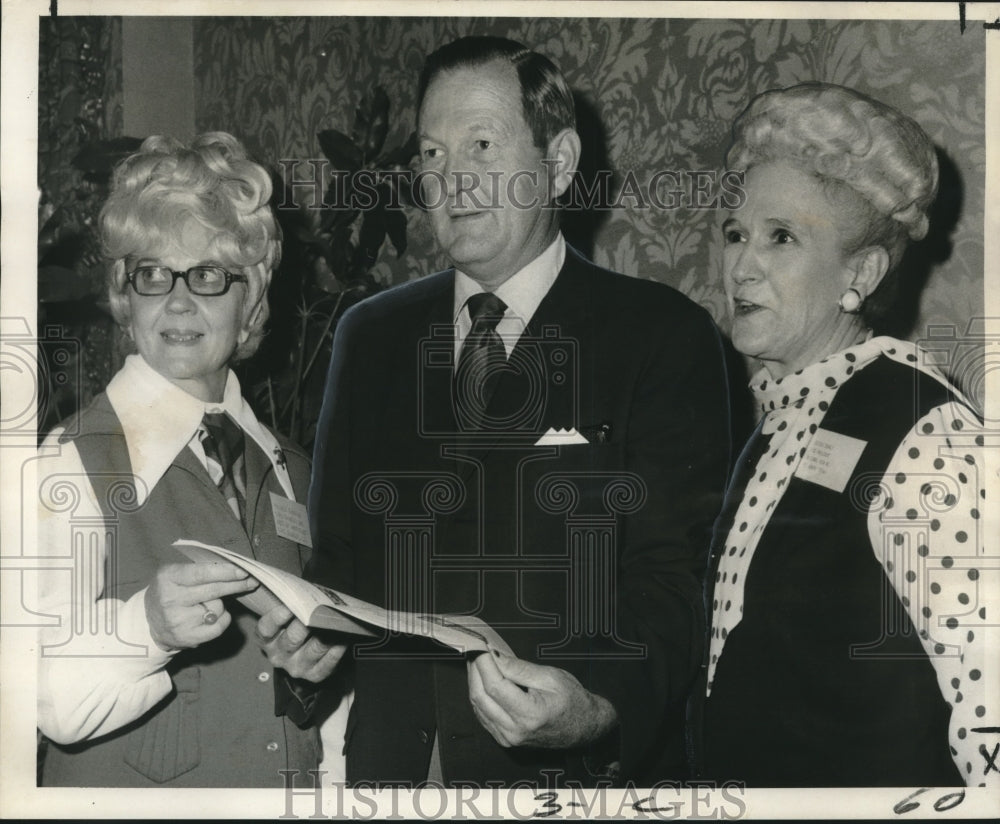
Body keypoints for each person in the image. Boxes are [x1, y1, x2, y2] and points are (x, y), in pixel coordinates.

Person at [303, 36, 731, 786]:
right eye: (432, 155)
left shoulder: (662, 335)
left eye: (481, 145)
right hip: (394, 772)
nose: (452, 180)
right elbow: (338, 558)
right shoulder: (369, 336)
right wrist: (308, 644)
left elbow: (676, 581)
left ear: (558, 162)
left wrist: (598, 711)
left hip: (566, 778)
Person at [695, 83, 994, 787]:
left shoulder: (927, 429)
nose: (741, 264)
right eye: (736, 233)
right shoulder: (775, 421)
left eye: (782, 237)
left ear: (859, 273)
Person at [35, 132, 342, 787]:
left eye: (206, 274)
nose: (177, 300)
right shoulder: (64, 466)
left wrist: (319, 667)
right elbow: (37, 700)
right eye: (152, 273)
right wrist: (147, 625)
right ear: (126, 292)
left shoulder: (292, 467)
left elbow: (316, 711)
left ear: (251, 298)